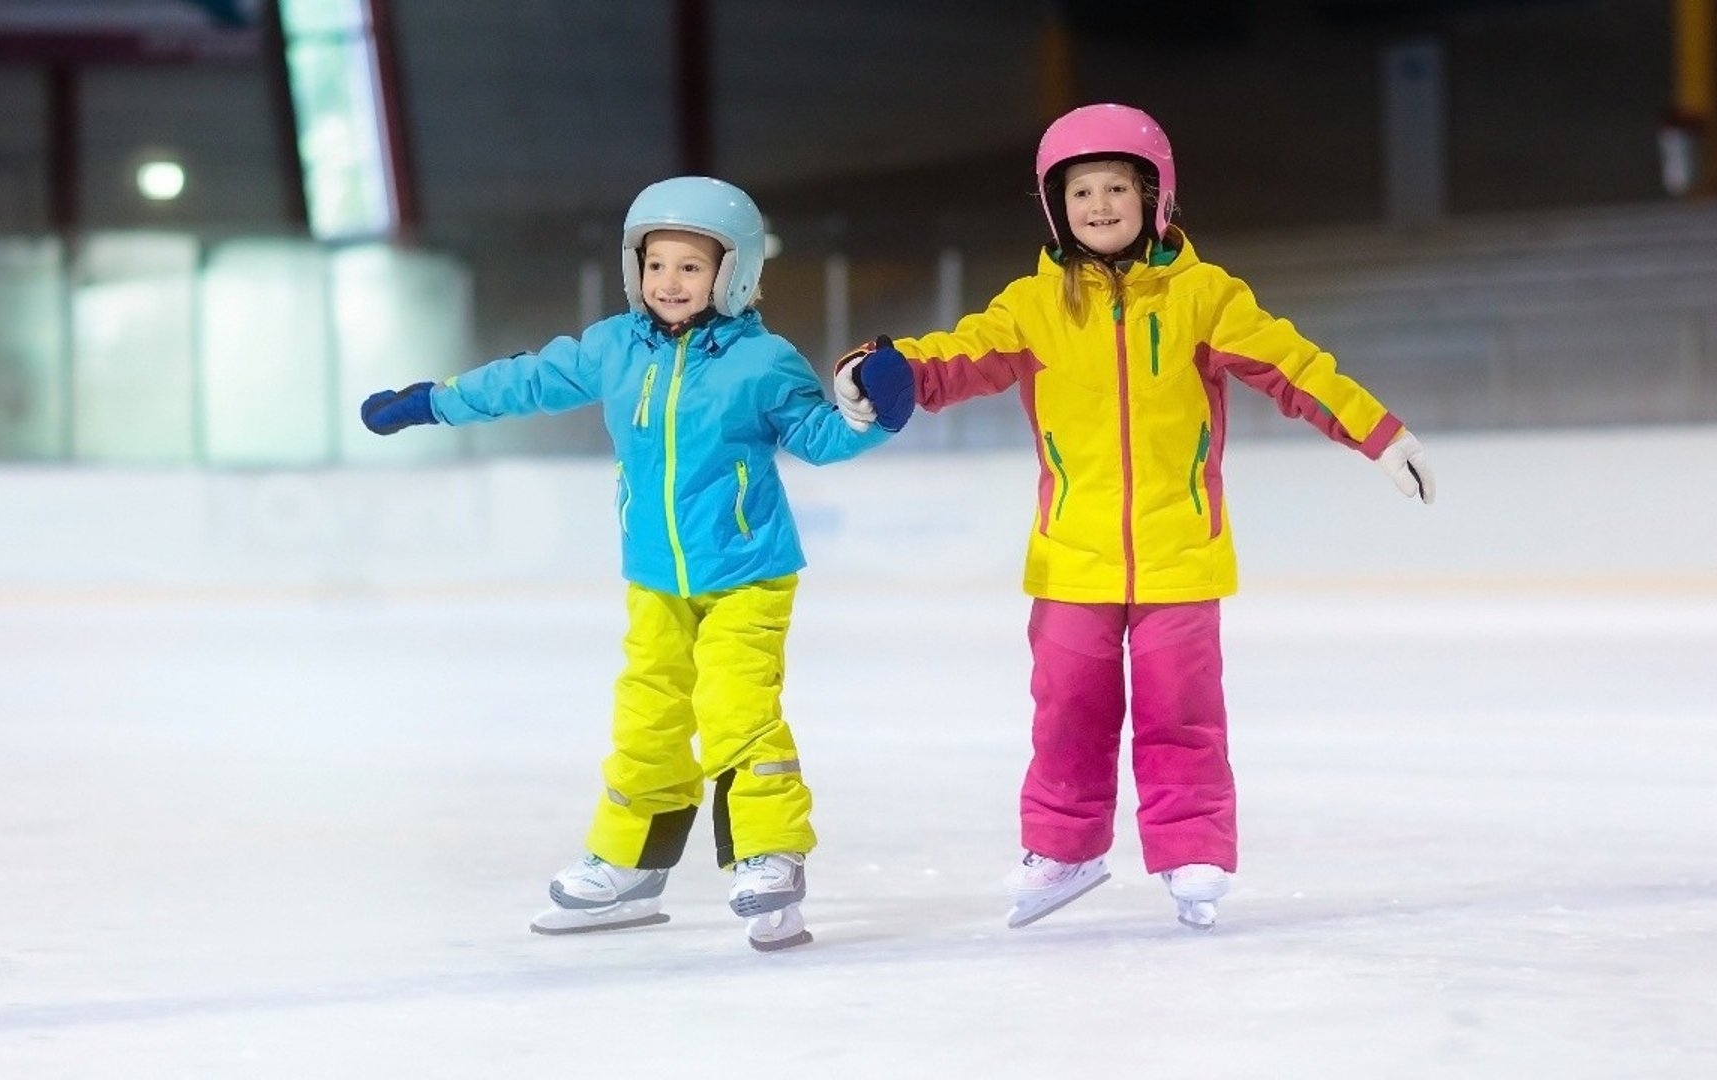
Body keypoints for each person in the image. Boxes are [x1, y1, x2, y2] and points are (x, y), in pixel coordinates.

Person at [834, 103, 1434, 932]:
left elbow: (1293, 366)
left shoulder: (1205, 298)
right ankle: (1064, 848)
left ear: (1156, 196)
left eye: (1118, 186)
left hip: (1180, 552)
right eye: (1082, 191)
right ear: (1056, 207)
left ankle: (1192, 849)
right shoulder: (1033, 307)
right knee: (1067, 707)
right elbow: (956, 356)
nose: (1101, 205)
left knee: (1180, 711)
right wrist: (878, 368)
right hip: (1072, 554)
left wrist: (1378, 432)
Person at [360, 176, 915, 951]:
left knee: (736, 713)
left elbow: (821, 437)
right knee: (647, 720)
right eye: (656, 264)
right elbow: (526, 380)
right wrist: (435, 400)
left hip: (747, 574)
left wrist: (873, 412)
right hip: (655, 576)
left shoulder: (763, 360)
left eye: (691, 266)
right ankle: (631, 866)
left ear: (736, 271)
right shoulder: (612, 347)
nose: (670, 282)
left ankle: (768, 856)